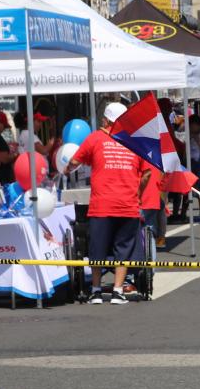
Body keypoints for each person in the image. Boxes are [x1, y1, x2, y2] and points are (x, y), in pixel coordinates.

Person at [65, 102, 152, 305]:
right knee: (123, 248)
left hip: (101, 204)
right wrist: (138, 192)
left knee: (97, 248)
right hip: (127, 204)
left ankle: (95, 290)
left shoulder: (95, 138)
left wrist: (65, 168)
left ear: (105, 120)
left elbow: (75, 162)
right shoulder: (134, 141)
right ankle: (117, 290)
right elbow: (147, 172)